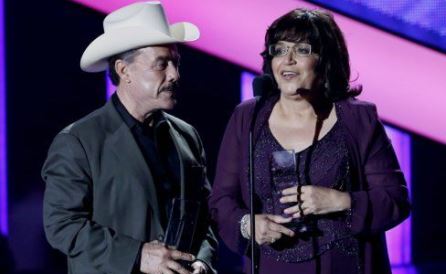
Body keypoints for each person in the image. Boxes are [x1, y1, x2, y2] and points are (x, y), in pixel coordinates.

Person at [209, 8, 410, 274]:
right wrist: (247, 224)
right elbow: (221, 201)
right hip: (270, 266)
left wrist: (341, 201)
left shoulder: (358, 119)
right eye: (279, 50)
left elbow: (396, 200)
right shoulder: (248, 117)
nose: (288, 60)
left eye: (302, 50)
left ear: (325, 59)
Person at [42, 2, 217, 274]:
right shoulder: (78, 141)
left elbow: (205, 216)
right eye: (162, 64)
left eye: (176, 63)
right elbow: (62, 225)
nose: (175, 74)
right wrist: (138, 255)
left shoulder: (187, 136)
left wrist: (202, 260)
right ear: (124, 71)